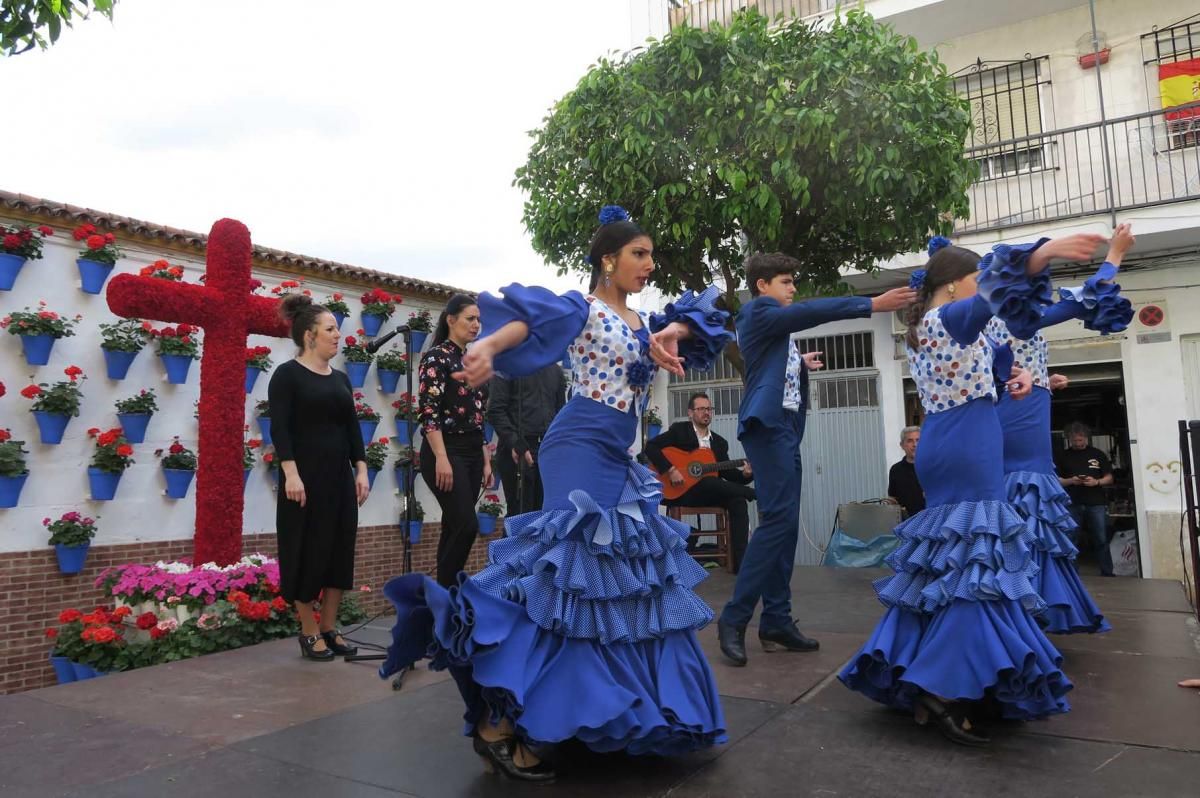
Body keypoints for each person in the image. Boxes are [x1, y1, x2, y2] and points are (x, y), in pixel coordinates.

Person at [380, 206, 732, 781]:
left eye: (650, 255)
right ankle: (504, 722)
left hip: (617, 457)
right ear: (607, 260)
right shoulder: (582, 307)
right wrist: (490, 348)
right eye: (638, 254)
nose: (648, 264)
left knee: (621, 581)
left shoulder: (644, 324)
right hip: (576, 445)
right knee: (571, 574)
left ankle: (598, 713)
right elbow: (528, 322)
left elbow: (711, 319)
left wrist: (677, 331)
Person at [840, 233, 1106, 746]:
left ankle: (921, 670)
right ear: (953, 284)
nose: (980, 286)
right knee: (975, 563)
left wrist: (1018, 380)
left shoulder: (938, 327)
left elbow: (999, 355)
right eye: (974, 278)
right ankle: (943, 686)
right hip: (967, 441)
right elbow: (995, 299)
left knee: (952, 560)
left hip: (955, 436)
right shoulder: (947, 318)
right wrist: (1044, 255)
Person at [716, 253, 917, 667]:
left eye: (793, 282)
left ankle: (776, 621)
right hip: (768, 427)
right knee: (775, 523)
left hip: (787, 427)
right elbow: (811, 312)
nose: (793, 289)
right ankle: (734, 619)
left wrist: (798, 364)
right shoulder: (757, 311)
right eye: (786, 282)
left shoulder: (774, 325)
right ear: (762, 286)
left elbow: (771, 364)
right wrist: (871, 304)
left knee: (785, 526)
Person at [987, 223, 1134, 628]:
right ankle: (1024, 605)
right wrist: (1115, 254)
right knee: (1026, 506)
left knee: (1026, 507)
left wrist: (1045, 381)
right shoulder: (1013, 319)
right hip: (1019, 421)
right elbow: (1084, 300)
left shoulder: (1011, 322)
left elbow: (1012, 366)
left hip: (1025, 412)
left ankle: (1023, 604)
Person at [268, 294, 370, 661]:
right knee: (305, 551)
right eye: (330, 330)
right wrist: (291, 475)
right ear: (309, 335)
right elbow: (280, 430)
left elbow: (352, 428)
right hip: (304, 481)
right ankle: (308, 630)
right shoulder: (287, 376)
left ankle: (329, 626)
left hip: (338, 478)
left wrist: (360, 468)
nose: (337, 336)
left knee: (338, 551)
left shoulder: (341, 378)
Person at [418, 293, 492, 587]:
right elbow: (429, 412)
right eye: (469, 319)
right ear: (451, 320)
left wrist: (486, 458)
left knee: (453, 526)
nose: (476, 325)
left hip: (473, 451)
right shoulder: (436, 357)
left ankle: (443, 599)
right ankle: (447, 594)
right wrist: (442, 458)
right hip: (445, 450)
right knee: (466, 524)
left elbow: (477, 413)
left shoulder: (470, 360)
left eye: (478, 319)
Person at [644, 392, 756, 571]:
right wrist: (671, 470)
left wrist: (746, 475)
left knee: (738, 501)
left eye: (709, 409)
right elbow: (651, 447)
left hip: (709, 492)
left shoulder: (719, 443)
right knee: (707, 482)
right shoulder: (680, 431)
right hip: (680, 492)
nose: (707, 412)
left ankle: (740, 565)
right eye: (701, 409)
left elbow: (728, 474)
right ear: (690, 413)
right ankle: (754, 494)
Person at [487, 363, 566, 516]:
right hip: (517, 450)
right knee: (520, 517)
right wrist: (516, 443)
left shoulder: (555, 370)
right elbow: (496, 410)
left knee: (543, 516)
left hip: (546, 450)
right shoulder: (508, 366)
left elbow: (560, 413)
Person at [1056, 421, 1116, 576]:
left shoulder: (1097, 454)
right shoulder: (1063, 456)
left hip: (1095, 502)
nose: (1078, 443)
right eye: (1075, 440)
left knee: (1101, 538)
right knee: (1072, 539)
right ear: (1069, 438)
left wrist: (1096, 482)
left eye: (1081, 440)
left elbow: (1109, 478)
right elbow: (1055, 480)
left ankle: (1107, 571)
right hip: (1072, 502)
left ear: (1086, 438)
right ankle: (1072, 573)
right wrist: (1071, 481)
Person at [886, 426, 925, 518]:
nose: (915, 444)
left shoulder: (933, 468)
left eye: (918, 440)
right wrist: (888, 503)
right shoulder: (895, 470)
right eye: (910, 441)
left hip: (930, 522)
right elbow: (893, 497)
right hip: (905, 523)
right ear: (902, 445)